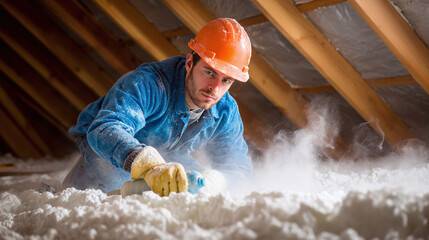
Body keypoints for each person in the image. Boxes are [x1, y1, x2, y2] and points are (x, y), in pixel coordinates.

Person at [63, 18, 253, 196]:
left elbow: (238, 167)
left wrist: (215, 181)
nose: (215, 88)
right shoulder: (149, 83)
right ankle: (75, 184)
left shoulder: (225, 111)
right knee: (116, 187)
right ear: (189, 63)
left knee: (194, 186)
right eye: (210, 72)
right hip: (109, 142)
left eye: (226, 80)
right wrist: (149, 166)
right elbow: (106, 129)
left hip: (166, 152)